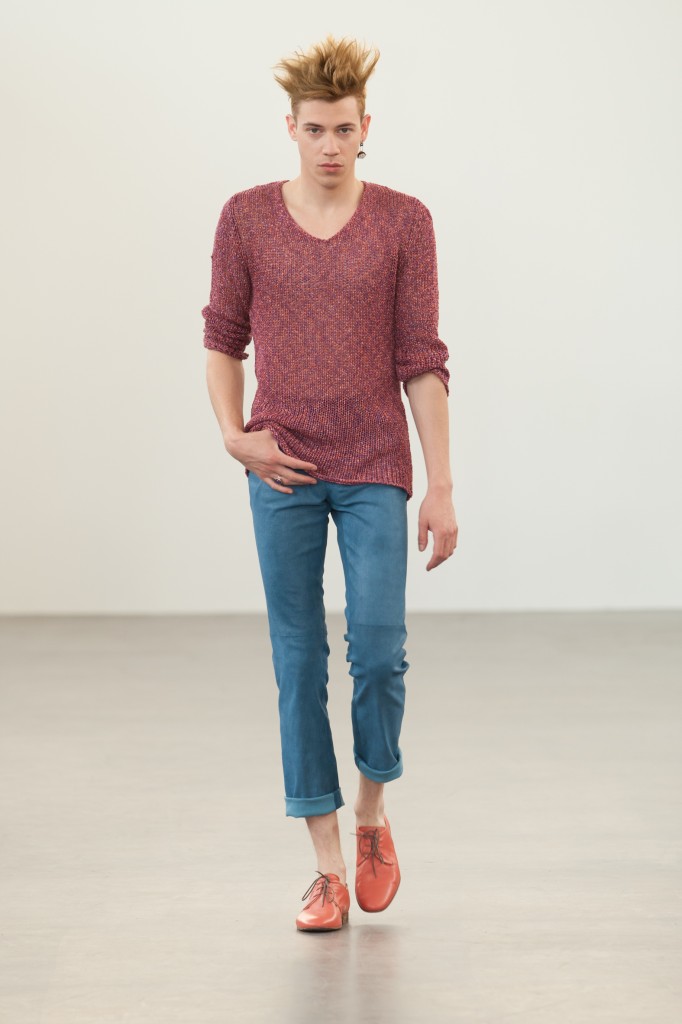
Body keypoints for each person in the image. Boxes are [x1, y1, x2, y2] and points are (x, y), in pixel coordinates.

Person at [202, 33, 458, 932]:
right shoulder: (245, 219)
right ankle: (325, 868)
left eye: (344, 129)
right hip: (280, 466)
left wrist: (441, 483)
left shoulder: (403, 221)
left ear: (365, 128)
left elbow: (421, 359)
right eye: (314, 129)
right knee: (297, 659)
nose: (329, 145)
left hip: (375, 463)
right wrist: (235, 437)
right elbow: (222, 338)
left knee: (378, 648)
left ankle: (373, 815)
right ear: (291, 129)